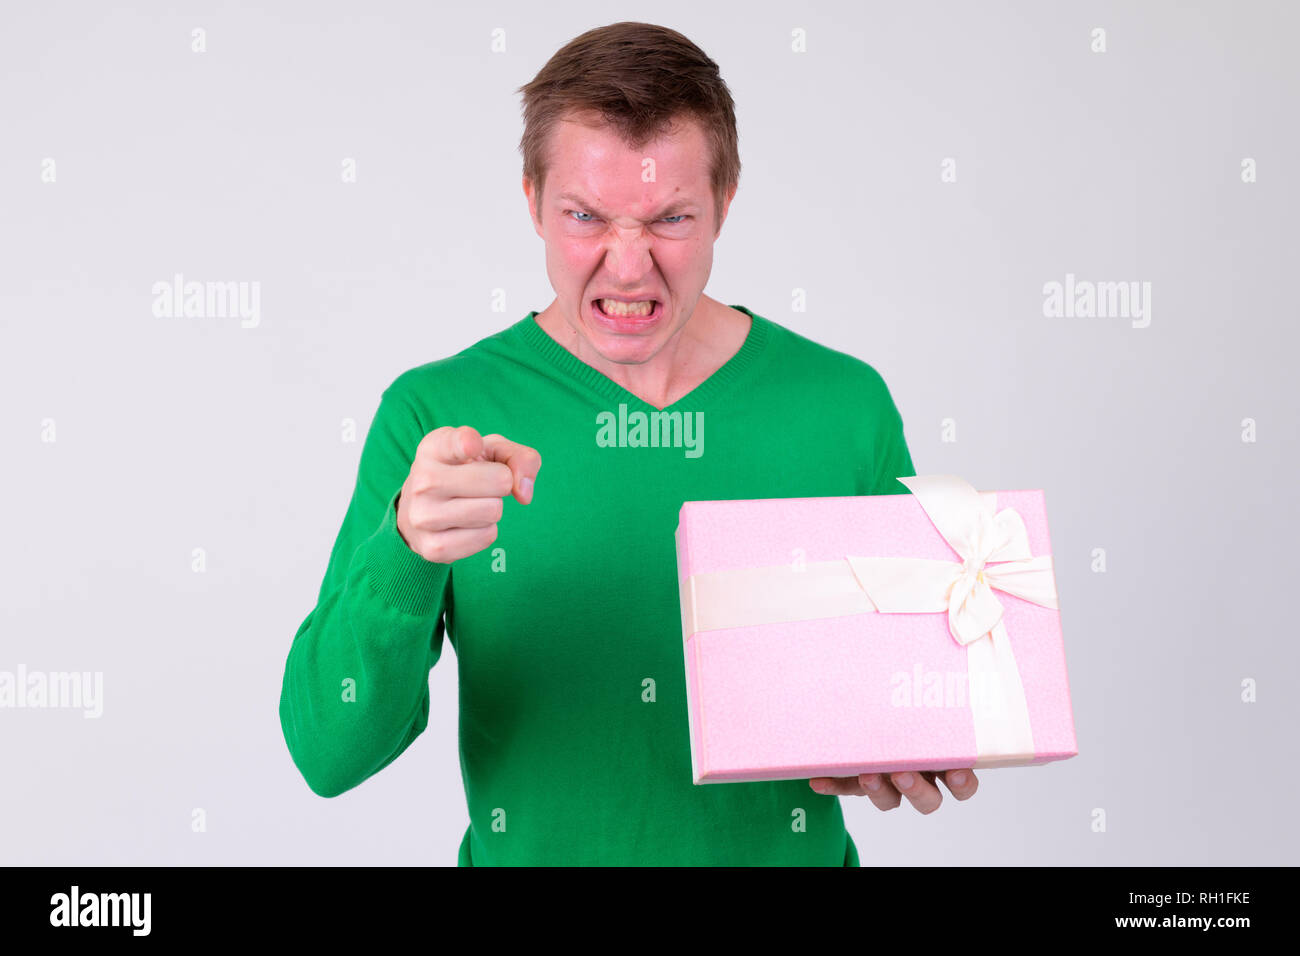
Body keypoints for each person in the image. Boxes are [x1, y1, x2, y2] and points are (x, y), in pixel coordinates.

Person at [278, 20, 977, 867]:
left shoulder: (845, 405)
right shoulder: (437, 415)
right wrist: (405, 552)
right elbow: (328, 751)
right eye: (585, 216)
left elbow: (906, 693)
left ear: (724, 202)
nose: (628, 266)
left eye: (670, 218)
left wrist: (913, 740)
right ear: (531, 199)